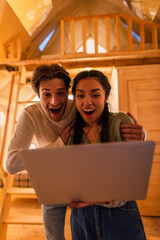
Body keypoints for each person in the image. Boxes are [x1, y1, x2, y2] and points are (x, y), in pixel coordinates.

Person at [4, 64, 144, 240]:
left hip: (82, 187)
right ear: (37, 94)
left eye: (60, 93)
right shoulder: (30, 115)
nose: (54, 101)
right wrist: (59, 143)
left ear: (68, 92)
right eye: (46, 94)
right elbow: (10, 164)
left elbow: (108, 116)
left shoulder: (78, 107)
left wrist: (139, 133)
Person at [67, 70, 146, 240]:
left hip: (120, 212)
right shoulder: (71, 132)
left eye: (95, 95)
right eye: (80, 96)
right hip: (81, 216)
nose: (87, 102)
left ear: (106, 96)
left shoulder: (120, 121)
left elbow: (133, 170)